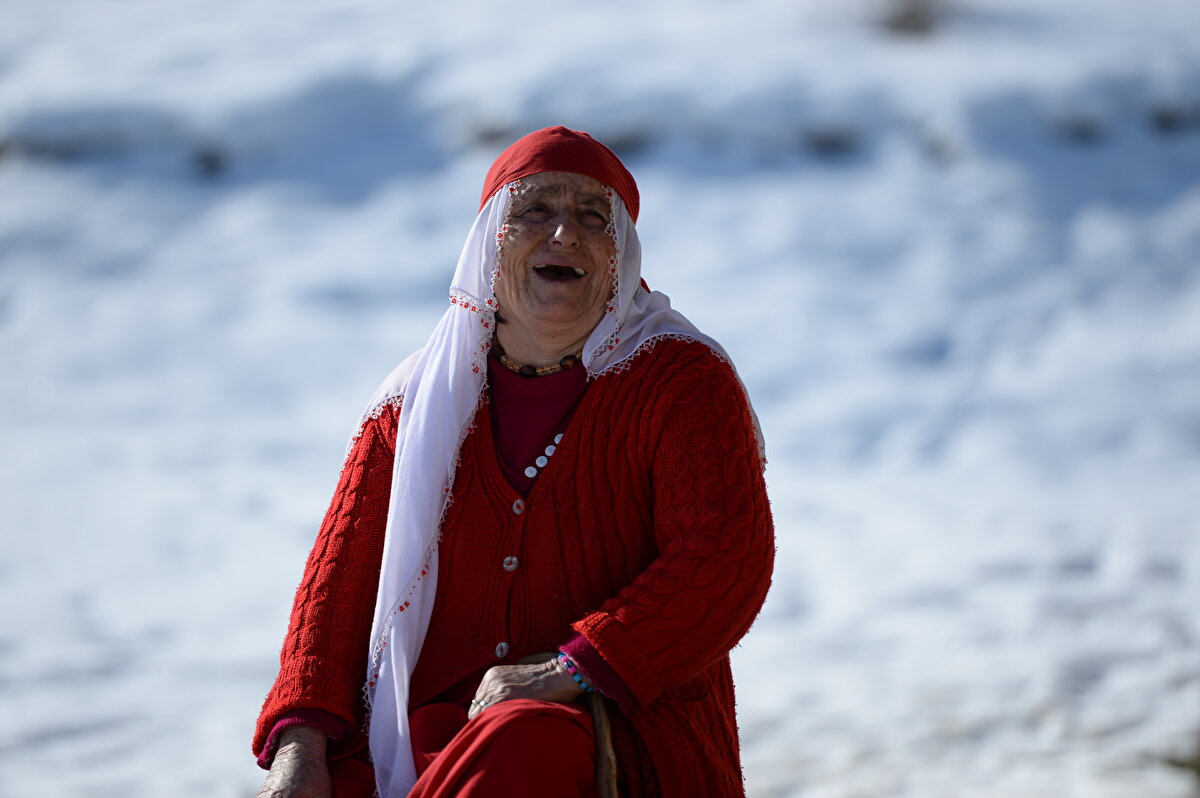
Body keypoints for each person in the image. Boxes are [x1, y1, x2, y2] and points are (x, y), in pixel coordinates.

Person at [253, 126, 774, 798]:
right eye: (535, 210)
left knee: (517, 746)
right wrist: (300, 744)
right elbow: (337, 596)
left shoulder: (679, 380)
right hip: (423, 734)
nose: (565, 235)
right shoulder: (413, 402)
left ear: (623, 254)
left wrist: (574, 668)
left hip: (615, 728)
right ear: (489, 240)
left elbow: (723, 558)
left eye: (594, 217)